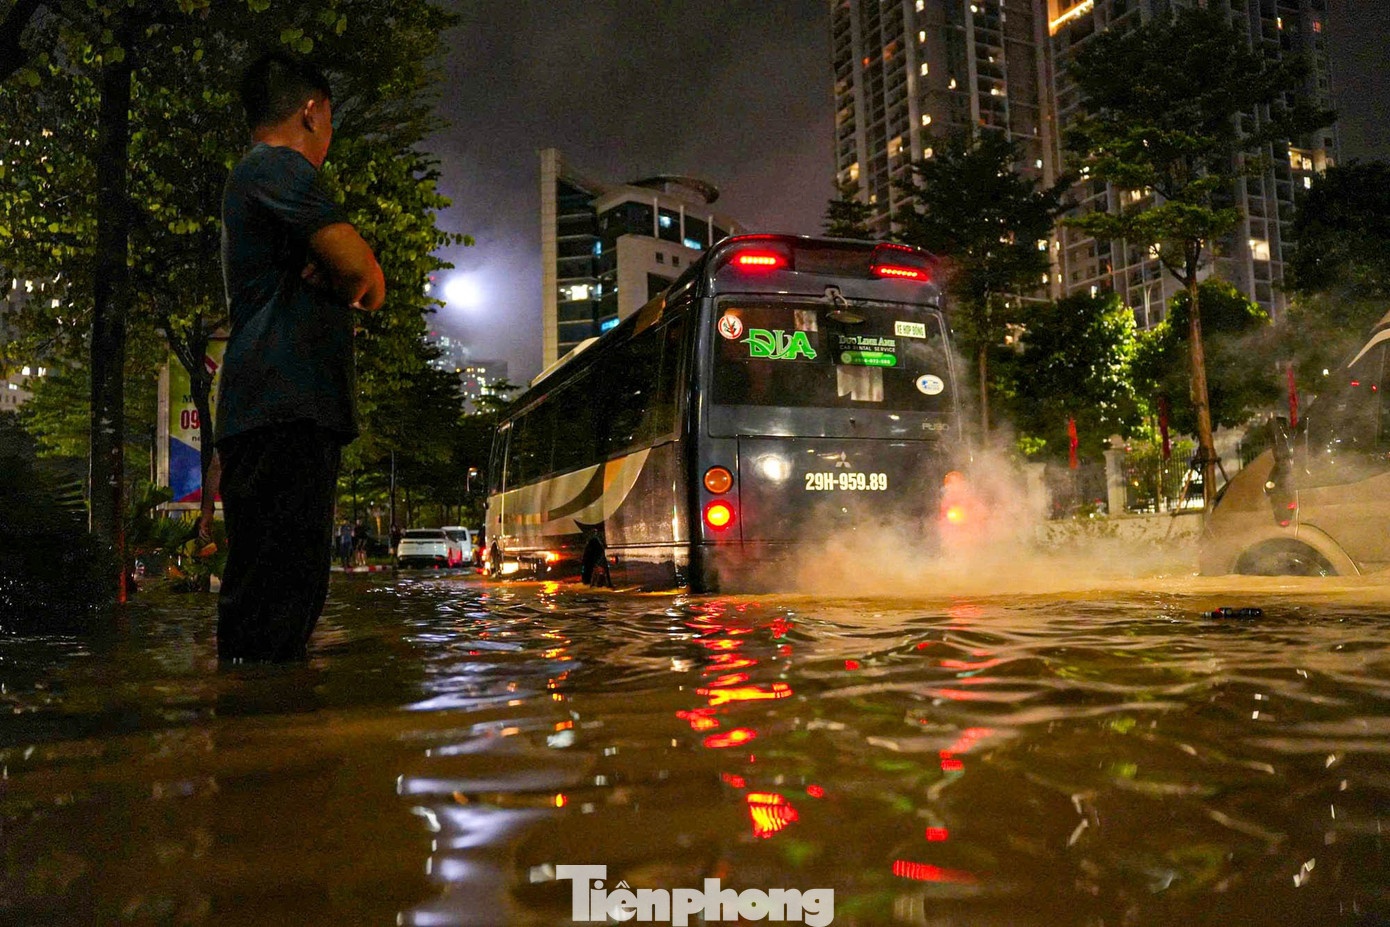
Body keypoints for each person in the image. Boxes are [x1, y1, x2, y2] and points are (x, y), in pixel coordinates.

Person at [215, 52, 385, 662]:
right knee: (276, 602)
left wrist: (350, 277)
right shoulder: (279, 168)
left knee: (278, 597)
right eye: (331, 120)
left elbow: (366, 282)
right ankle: (253, 742)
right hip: (282, 404)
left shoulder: (257, 178)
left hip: (276, 407)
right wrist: (347, 275)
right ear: (312, 112)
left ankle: (248, 738)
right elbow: (364, 273)